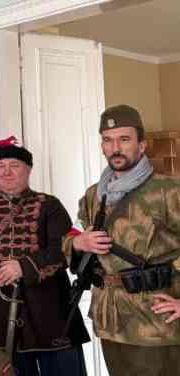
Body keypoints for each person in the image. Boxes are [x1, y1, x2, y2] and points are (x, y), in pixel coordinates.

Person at [62, 105, 180, 376]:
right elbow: (72, 238)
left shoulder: (169, 191)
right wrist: (79, 244)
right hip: (111, 321)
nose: (115, 148)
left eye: (124, 139)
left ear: (142, 145)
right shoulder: (94, 195)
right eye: (108, 140)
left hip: (156, 324)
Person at [0, 139, 89, 376]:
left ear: (28, 170)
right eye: (1, 166)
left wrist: (23, 267)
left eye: (14, 166)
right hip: (0, 310)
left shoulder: (50, 205)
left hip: (50, 310)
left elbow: (62, 248)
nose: (6, 172)